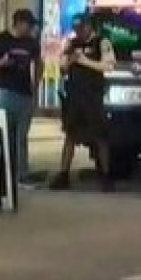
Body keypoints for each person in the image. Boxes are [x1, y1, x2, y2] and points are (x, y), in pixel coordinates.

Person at [50, 14, 116, 192]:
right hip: (74, 97)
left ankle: (106, 175)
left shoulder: (102, 42)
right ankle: (64, 174)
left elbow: (108, 66)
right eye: (76, 29)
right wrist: (72, 59)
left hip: (93, 97)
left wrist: (85, 61)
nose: (78, 32)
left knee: (100, 136)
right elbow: (62, 67)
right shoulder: (72, 44)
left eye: (81, 28)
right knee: (70, 135)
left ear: (89, 27)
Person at [0, 9, 42, 187]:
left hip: (24, 93)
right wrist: (2, 63)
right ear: (19, 23)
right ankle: (0, 175)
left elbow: (39, 63)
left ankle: (21, 175)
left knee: (21, 136)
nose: (31, 29)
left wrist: (36, 84)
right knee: (2, 135)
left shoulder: (31, 43)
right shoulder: (0, 40)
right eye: (29, 25)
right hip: (4, 92)